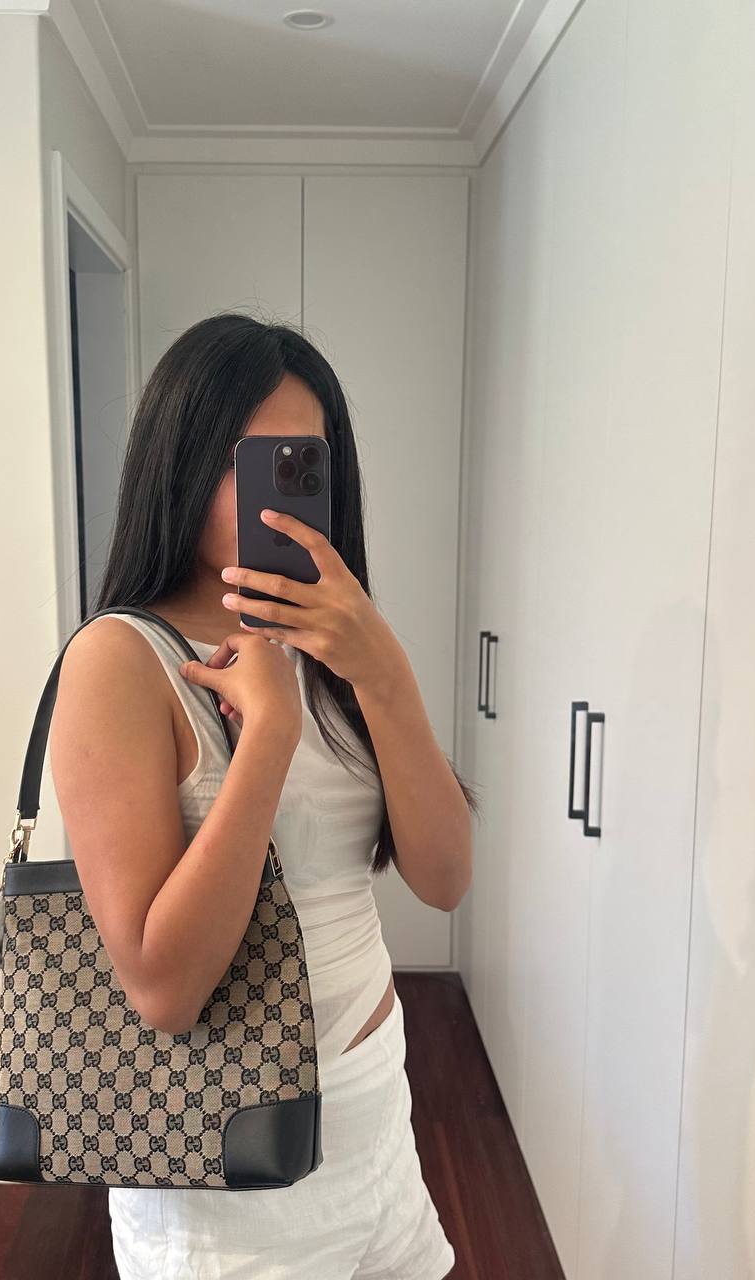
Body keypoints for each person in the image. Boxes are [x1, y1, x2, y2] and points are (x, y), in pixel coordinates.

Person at [49, 312, 477, 1278]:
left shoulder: (338, 644)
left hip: (377, 1117)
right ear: (178, 463)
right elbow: (163, 988)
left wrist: (383, 671)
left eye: (299, 463)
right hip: (226, 1171)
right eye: (243, 458)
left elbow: (446, 878)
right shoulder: (119, 661)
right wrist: (270, 736)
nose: (270, 494)